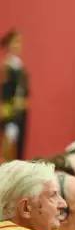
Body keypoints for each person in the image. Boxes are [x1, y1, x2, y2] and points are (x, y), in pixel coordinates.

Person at [0, 29, 29, 160]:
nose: (18, 45)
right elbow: (5, 93)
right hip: (10, 113)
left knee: (18, 148)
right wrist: (7, 111)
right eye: (15, 42)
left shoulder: (19, 65)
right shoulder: (6, 66)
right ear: (8, 45)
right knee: (9, 142)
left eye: (20, 42)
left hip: (20, 112)